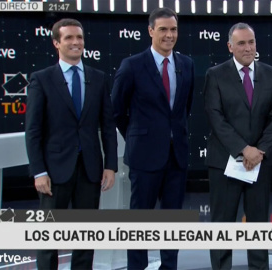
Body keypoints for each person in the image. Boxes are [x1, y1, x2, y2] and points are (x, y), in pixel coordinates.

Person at [25, 18, 118, 269]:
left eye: (80, 38)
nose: (76, 42)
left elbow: (107, 126)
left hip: (89, 169)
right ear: (56, 42)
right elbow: (33, 130)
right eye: (69, 38)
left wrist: (110, 165)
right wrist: (39, 171)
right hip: (53, 171)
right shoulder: (42, 79)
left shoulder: (98, 78)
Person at [111, 7, 194, 270]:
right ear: (150, 31)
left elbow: (184, 108)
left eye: (173, 30)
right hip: (144, 156)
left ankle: (169, 267)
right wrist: (139, 137)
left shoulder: (186, 64)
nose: (169, 35)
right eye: (163, 30)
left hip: (176, 156)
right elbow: (117, 111)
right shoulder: (132, 65)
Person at [204, 22, 272, 269]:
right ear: (230, 47)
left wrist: (258, 151)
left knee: (258, 226)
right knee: (223, 225)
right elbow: (215, 117)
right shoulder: (215, 74)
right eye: (241, 43)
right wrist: (243, 149)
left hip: (259, 163)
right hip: (224, 162)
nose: (247, 48)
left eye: (251, 42)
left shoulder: (271, 73)